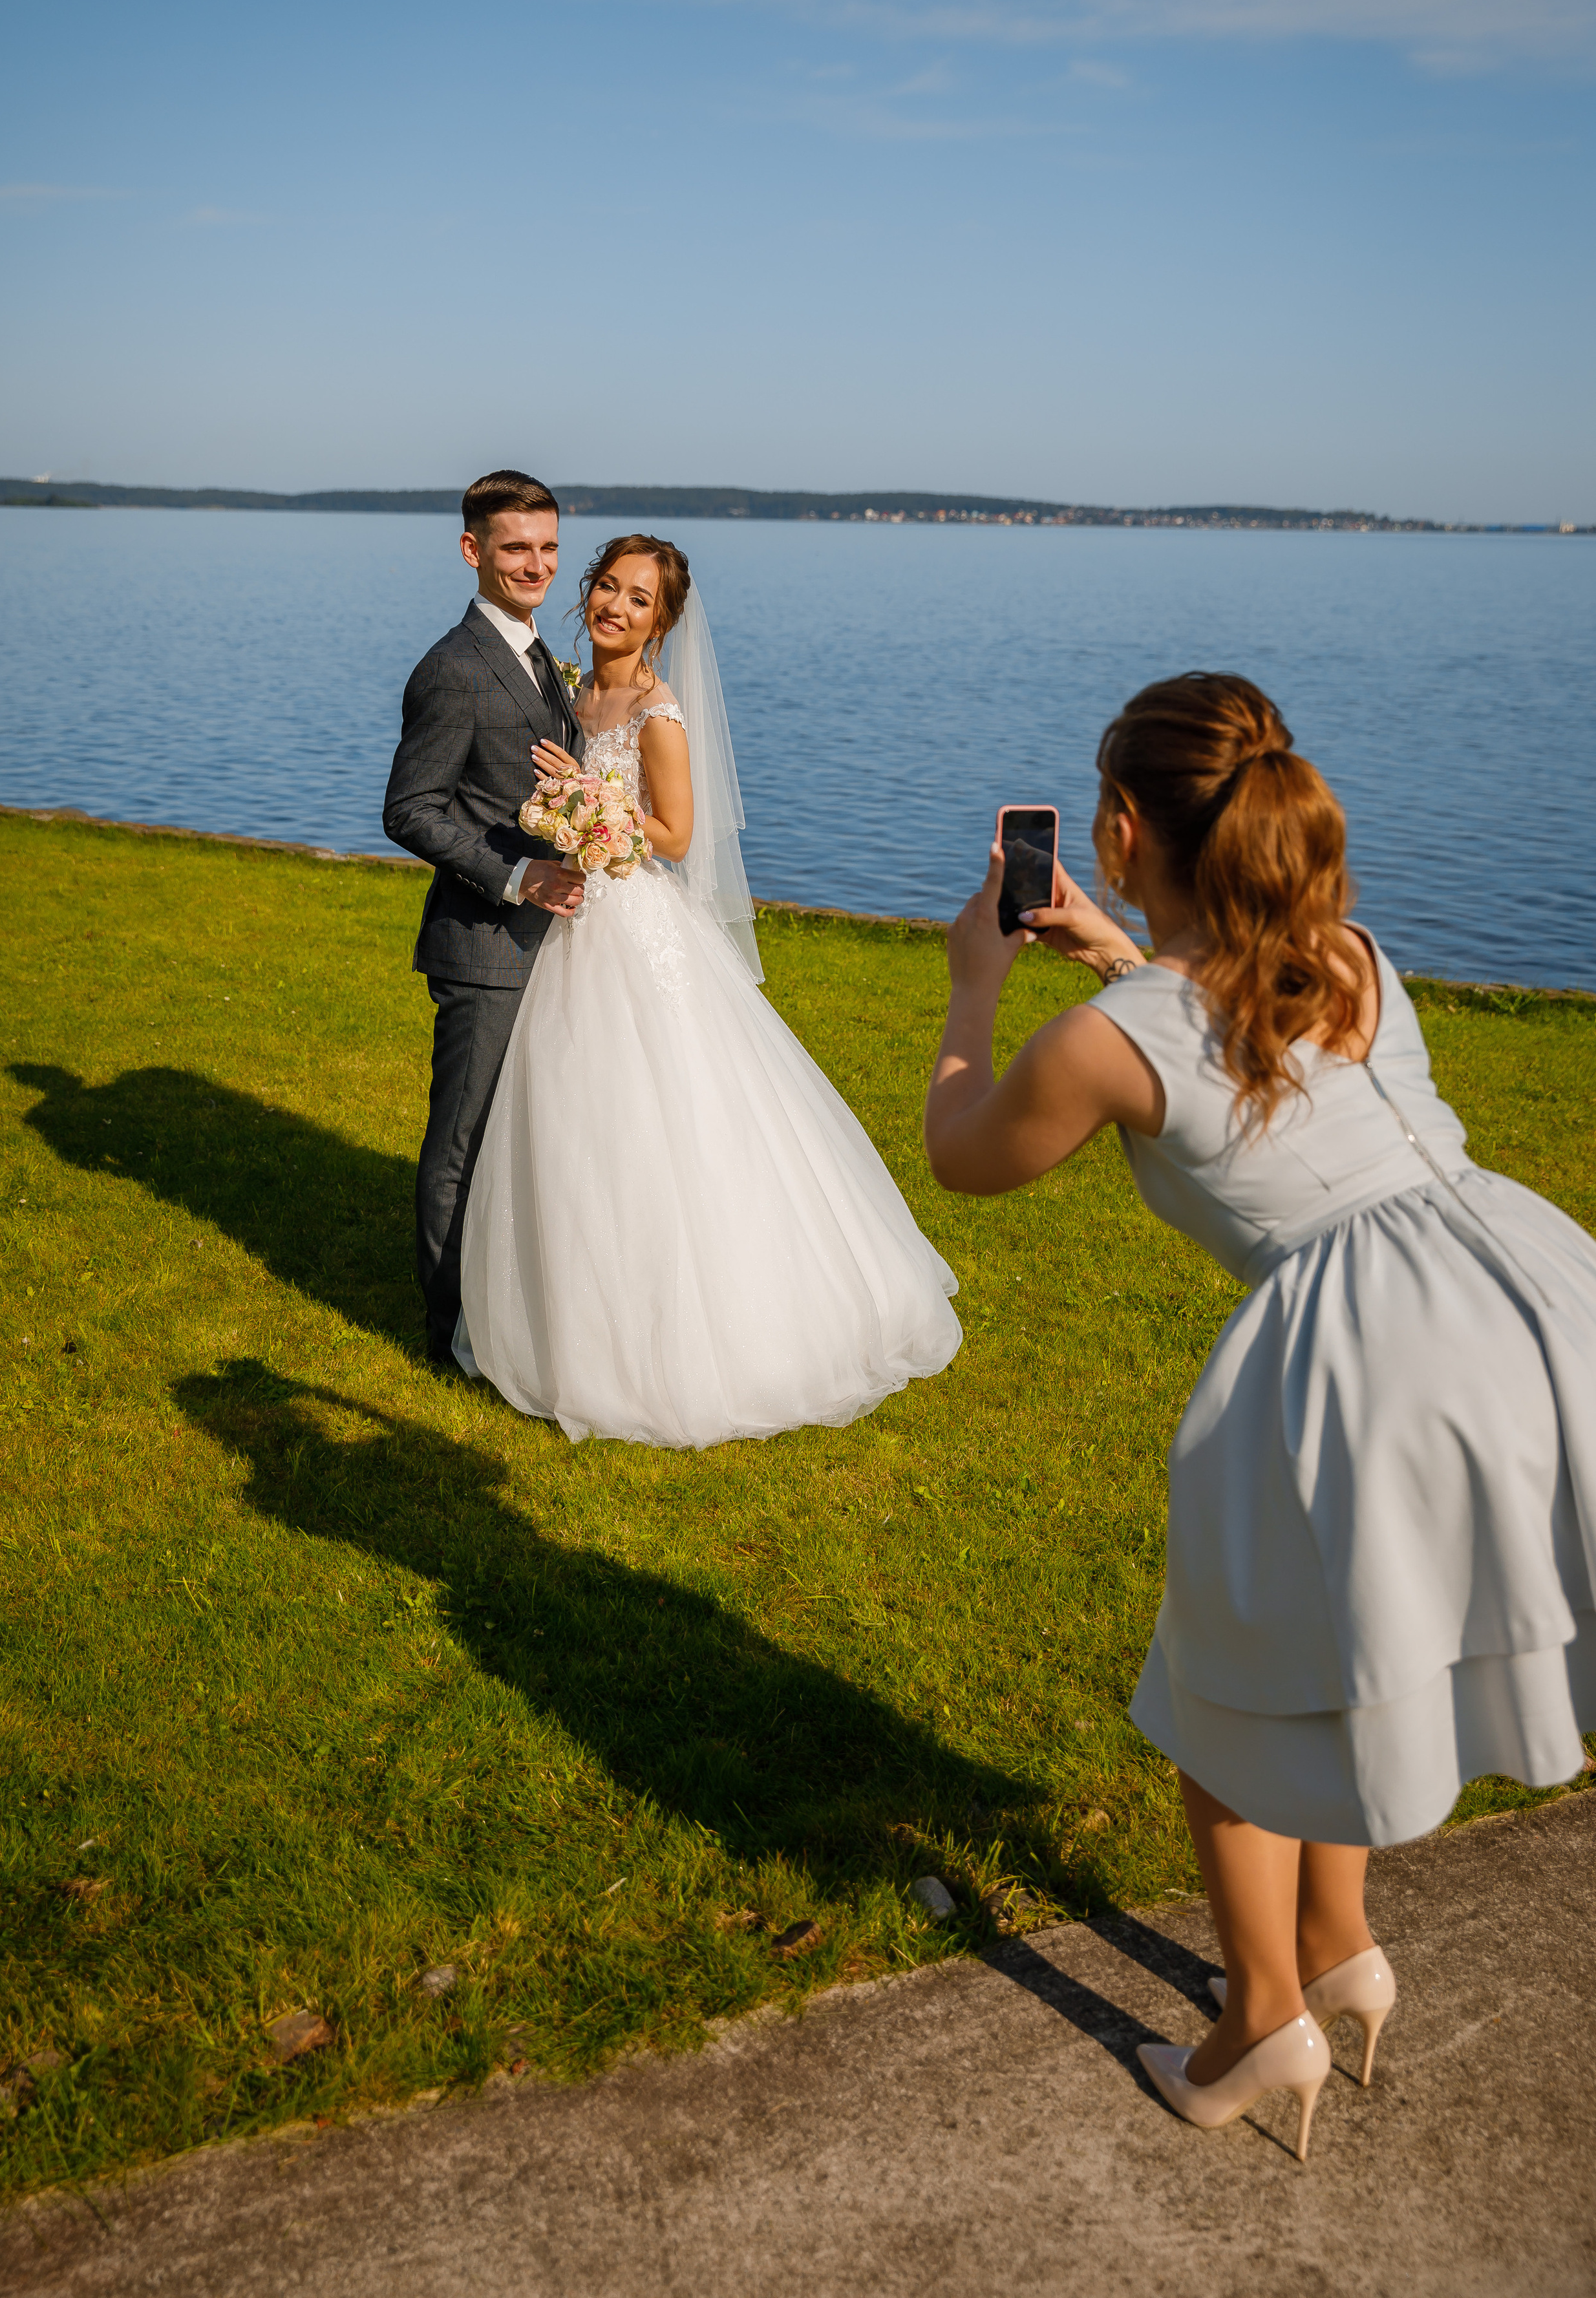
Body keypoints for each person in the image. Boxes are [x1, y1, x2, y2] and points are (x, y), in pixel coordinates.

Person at [923, 672, 1596, 2164]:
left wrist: (974, 984)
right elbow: (1221, 1002)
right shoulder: (1346, 952)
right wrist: (1114, 950)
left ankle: (1256, 2022)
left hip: (1362, 1350)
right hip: (1528, 1295)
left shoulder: (1104, 1041)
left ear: (1112, 828)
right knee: (1344, 1636)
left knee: (1227, 1693)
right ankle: (1341, 1944)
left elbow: (965, 1153)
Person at [451, 532, 962, 1447]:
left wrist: (594, 805)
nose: (615, 605)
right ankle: (570, 1317)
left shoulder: (656, 707)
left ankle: (706, 1339)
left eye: (639, 598)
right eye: (607, 586)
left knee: (668, 1121)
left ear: (664, 620)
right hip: (571, 923)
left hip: (635, 925)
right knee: (576, 1125)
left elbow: (678, 836)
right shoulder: (568, 690)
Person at [383, 470, 586, 1366]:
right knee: (462, 1141)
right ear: (473, 551)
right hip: (485, 945)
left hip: (559, 943)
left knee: (530, 1133)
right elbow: (411, 809)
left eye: (547, 547)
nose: (535, 565)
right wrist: (515, 878)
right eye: (515, 549)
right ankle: (447, 1335)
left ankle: (508, 1312)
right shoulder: (452, 669)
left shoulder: (543, 657)